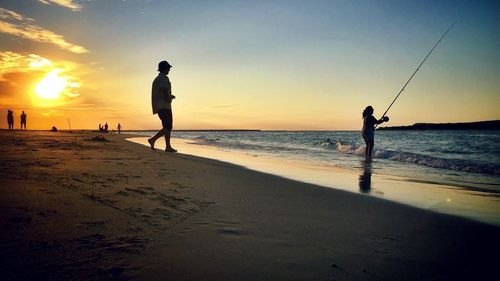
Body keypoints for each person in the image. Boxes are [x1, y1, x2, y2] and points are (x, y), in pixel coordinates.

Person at [147, 60, 177, 152]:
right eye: (168, 68)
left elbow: (160, 91)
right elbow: (164, 90)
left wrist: (169, 96)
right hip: (164, 105)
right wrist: (168, 98)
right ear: (165, 68)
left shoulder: (157, 79)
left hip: (160, 105)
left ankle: (168, 146)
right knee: (168, 127)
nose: (169, 70)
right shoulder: (164, 78)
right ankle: (153, 139)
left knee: (166, 126)